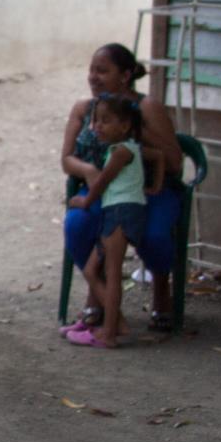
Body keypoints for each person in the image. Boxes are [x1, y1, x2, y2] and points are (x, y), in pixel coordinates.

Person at [60, 43, 185, 332]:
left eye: (102, 71)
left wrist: (133, 125)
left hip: (147, 192)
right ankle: (101, 293)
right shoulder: (83, 108)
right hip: (103, 190)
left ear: (126, 75)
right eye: (91, 70)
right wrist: (89, 171)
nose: (93, 77)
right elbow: (67, 159)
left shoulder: (146, 107)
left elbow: (176, 163)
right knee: (77, 224)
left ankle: (160, 289)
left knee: (154, 234)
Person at [64, 94, 165, 347]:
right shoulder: (126, 149)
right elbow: (158, 157)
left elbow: (102, 182)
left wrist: (84, 202)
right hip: (116, 211)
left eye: (106, 121)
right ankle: (115, 321)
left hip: (121, 213)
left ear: (125, 126)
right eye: (96, 120)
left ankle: (108, 334)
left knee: (111, 272)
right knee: (90, 270)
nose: (97, 125)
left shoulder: (121, 152)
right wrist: (153, 185)